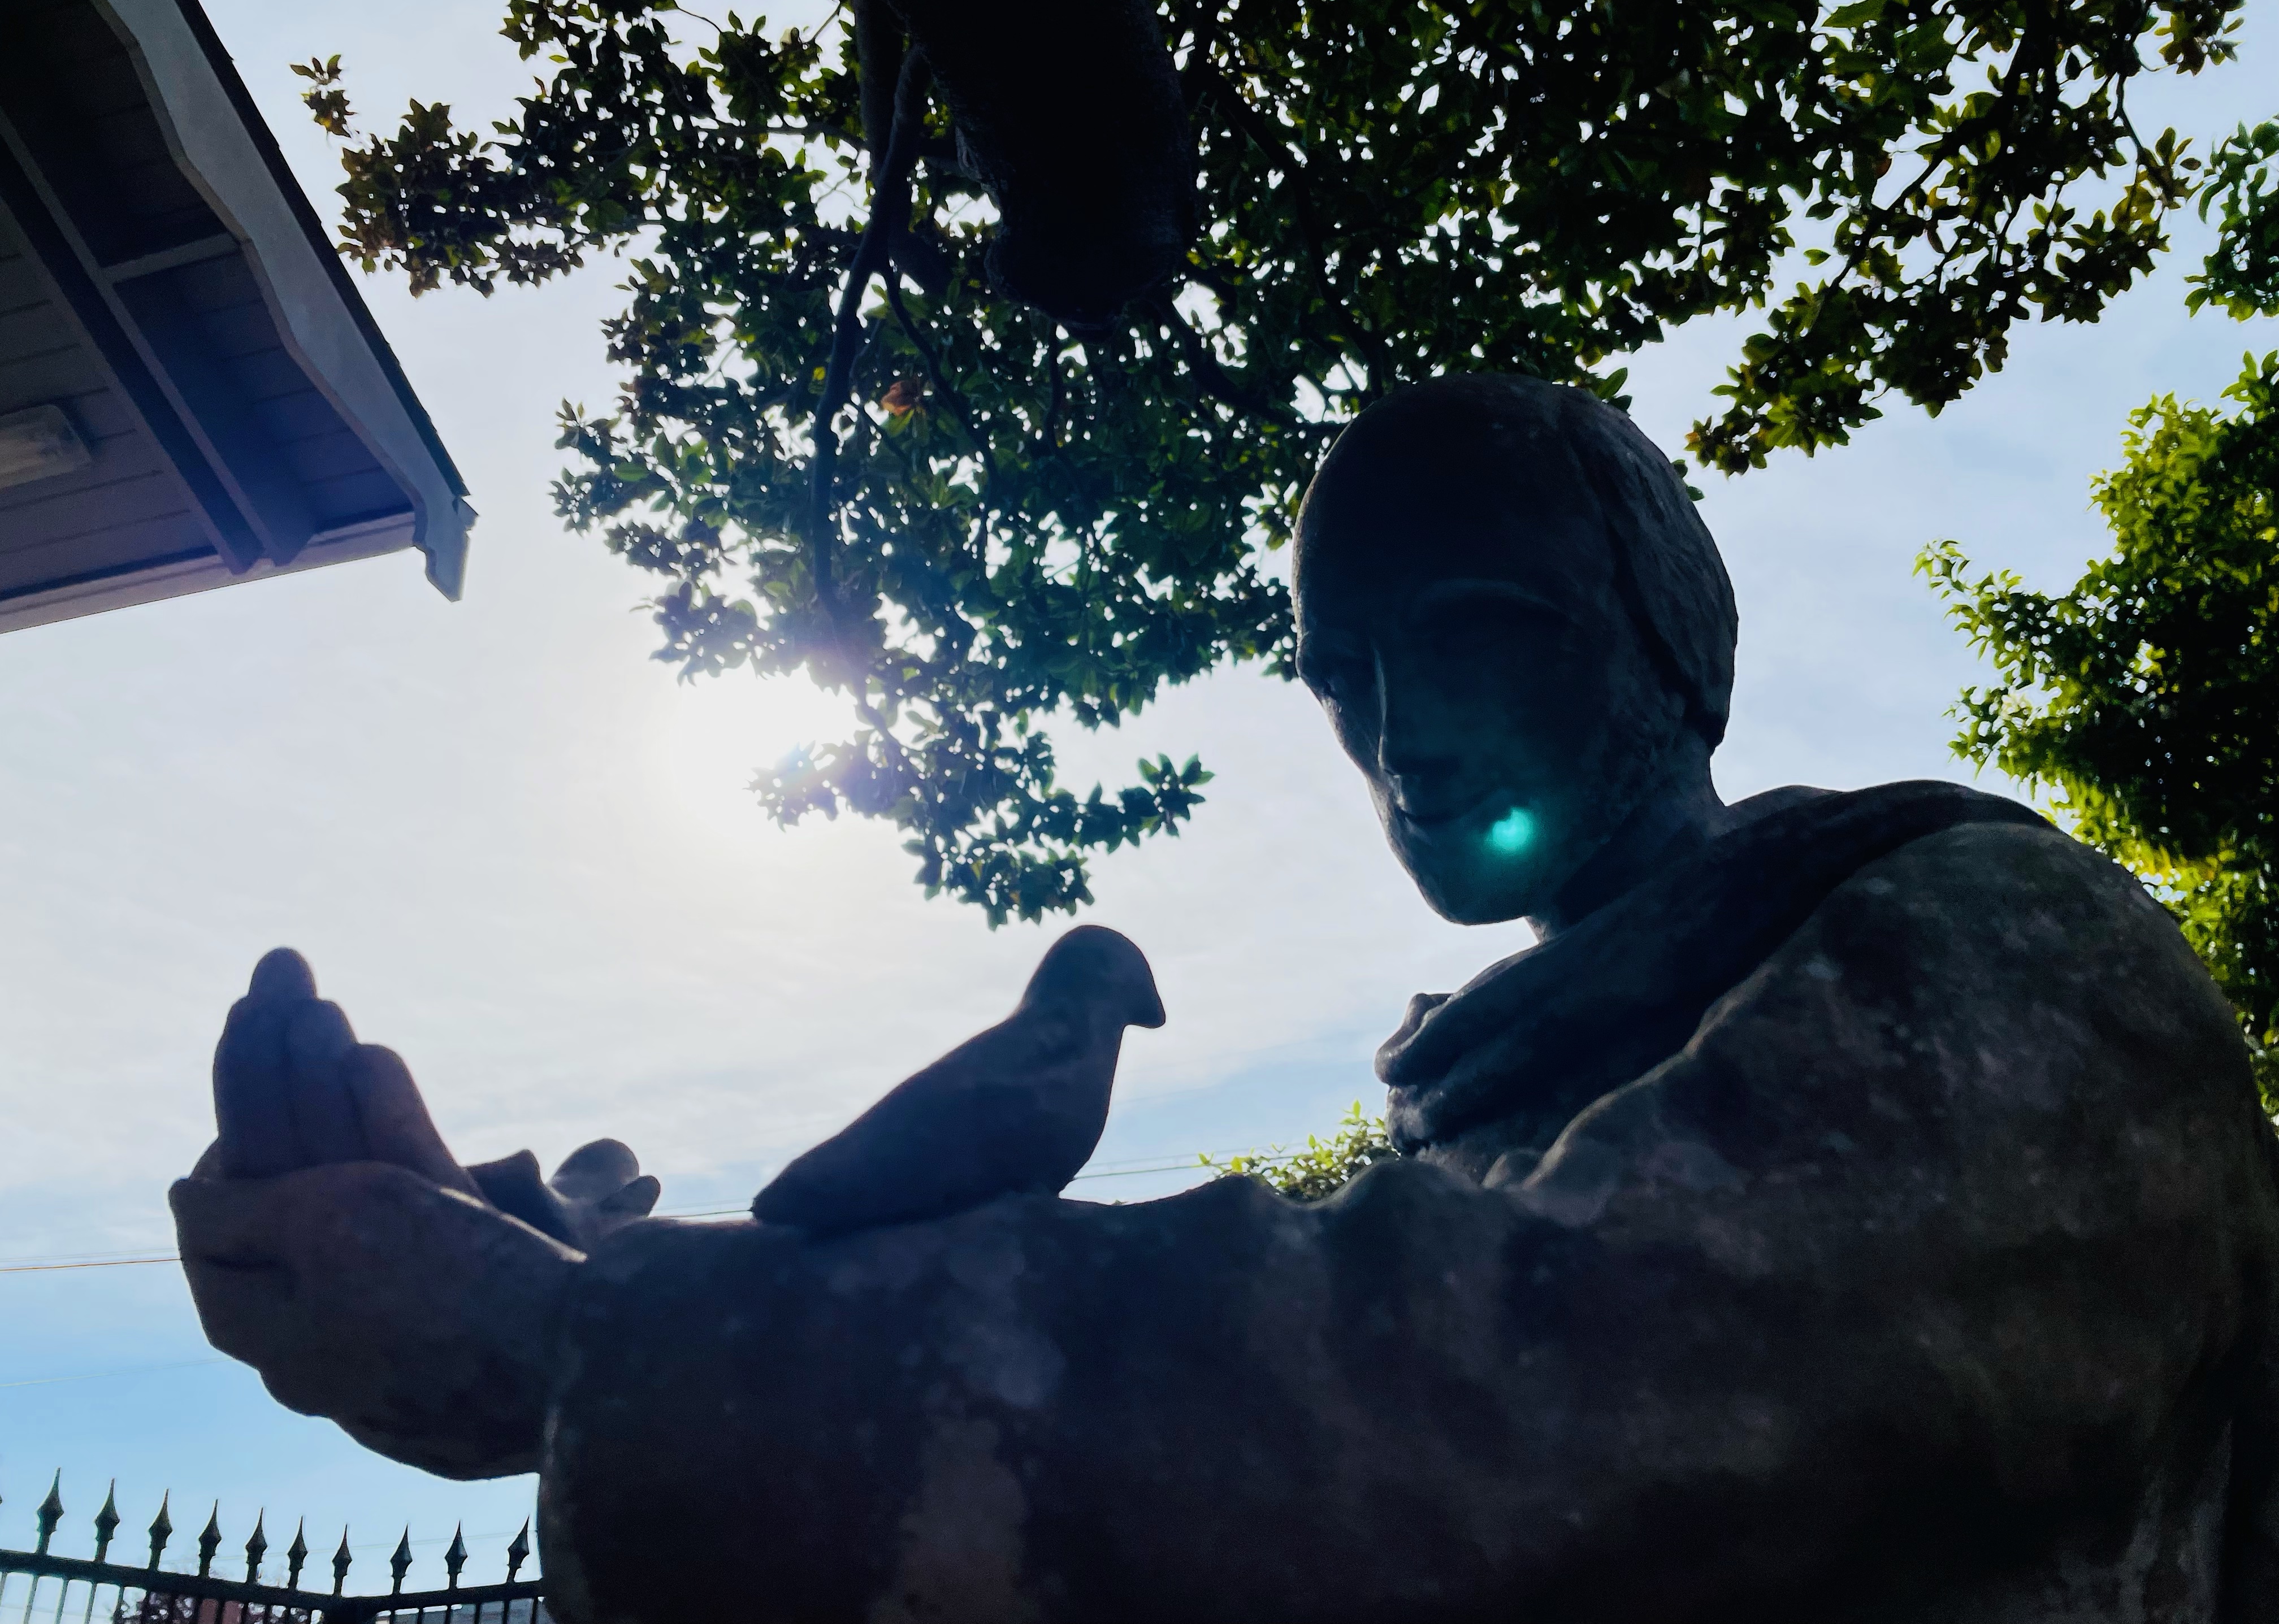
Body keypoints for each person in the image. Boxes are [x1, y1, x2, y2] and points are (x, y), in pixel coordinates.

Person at [172, 375, 2279, 1623]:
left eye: (1476, 628)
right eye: (1343, 674)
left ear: (1672, 636)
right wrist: (600, 1300)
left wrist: (603, 1347)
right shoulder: (1493, 1122)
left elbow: (1486, 1401)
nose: (1403, 733)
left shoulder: (2008, 951)